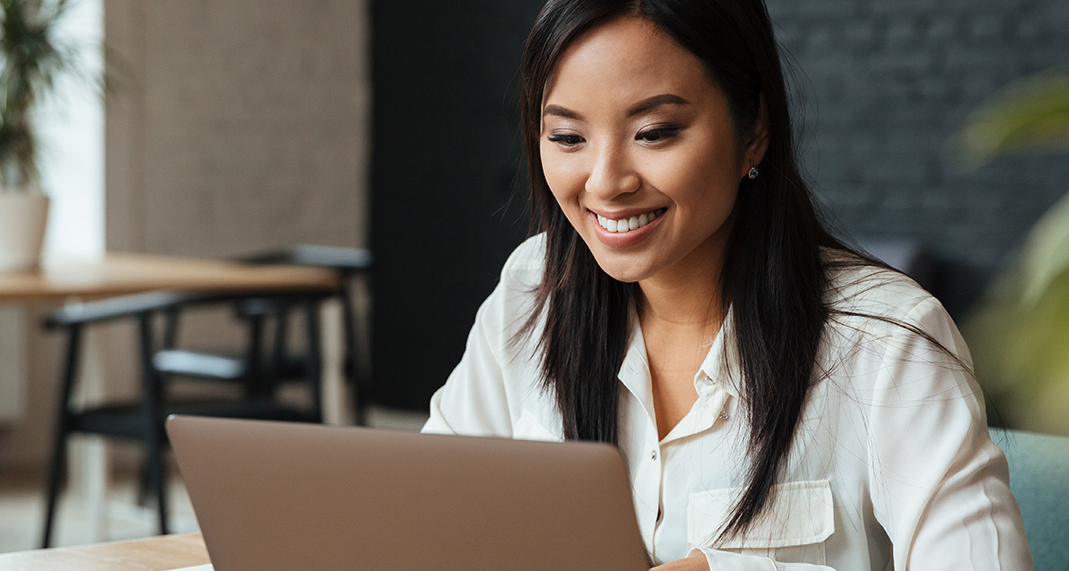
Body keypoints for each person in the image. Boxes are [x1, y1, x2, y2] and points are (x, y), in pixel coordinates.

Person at [422, 0, 1034, 569]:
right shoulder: (535, 292)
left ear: (754, 131)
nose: (606, 182)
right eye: (567, 138)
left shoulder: (885, 343)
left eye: (654, 132)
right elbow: (422, 523)